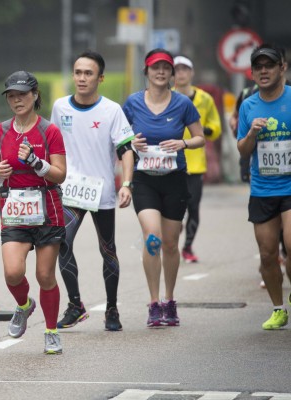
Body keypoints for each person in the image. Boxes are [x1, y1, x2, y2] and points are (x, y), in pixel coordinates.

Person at [49, 50, 135, 331]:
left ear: (100, 78)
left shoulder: (112, 110)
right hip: (70, 190)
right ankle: (75, 305)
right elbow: (52, 145)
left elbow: (126, 149)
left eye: (88, 73)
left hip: (102, 191)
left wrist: (126, 184)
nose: (82, 78)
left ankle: (112, 309)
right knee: (62, 241)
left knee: (108, 250)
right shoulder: (60, 107)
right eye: (78, 72)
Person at [122, 49, 205, 327]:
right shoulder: (133, 103)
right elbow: (120, 140)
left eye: (166, 68)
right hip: (144, 179)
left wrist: (183, 143)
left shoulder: (182, 103)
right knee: (153, 238)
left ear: (171, 73)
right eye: (155, 67)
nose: (160, 72)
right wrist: (132, 143)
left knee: (170, 243)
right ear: (146, 71)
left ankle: (170, 300)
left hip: (174, 179)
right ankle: (153, 303)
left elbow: (200, 138)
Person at [0, 71, 67, 354]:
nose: (17, 100)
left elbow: (60, 174)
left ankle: (51, 331)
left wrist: (36, 162)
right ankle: (24, 305)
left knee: (45, 276)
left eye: (22, 94)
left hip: (47, 209)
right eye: (11, 96)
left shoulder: (49, 131)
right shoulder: (1, 131)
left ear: (35, 95)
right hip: (15, 210)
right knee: (12, 273)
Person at [236, 44, 291, 330]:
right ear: (252, 73)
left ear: (282, 68)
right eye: (258, 67)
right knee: (268, 254)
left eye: (270, 65)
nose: (264, 71)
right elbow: (243, 150)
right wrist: (252, 133)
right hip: (263, 189)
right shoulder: (248, 106)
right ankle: (278, 308)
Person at [172, 55, 222, 263]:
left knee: (193, 208)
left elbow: (216, 127)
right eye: (177, 70)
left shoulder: (204, 99)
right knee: (171, 208)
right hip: (170, 163)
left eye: (185, 69)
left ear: (192, 73)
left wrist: (205, 131)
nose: (181, 73)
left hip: (195, 164)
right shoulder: (167, 97)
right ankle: (169, 245)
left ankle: (188, 247)